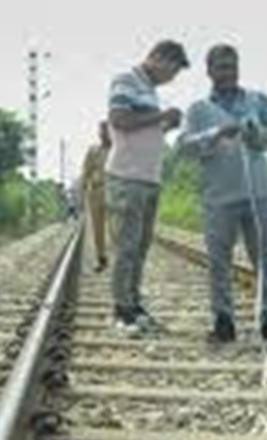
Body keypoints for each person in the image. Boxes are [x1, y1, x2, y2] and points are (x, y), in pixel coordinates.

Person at [178, 44, 267, 345]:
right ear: (210, 71)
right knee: (219, 261)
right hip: (218, 197)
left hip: (259, 193)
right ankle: (223, 321)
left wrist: (259, 136)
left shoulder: (258, 99)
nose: (228, 72)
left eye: (232, 66)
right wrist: (214, 135)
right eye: (222, 67)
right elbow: (184, 148)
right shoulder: (198, 110)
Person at [105, 40, 189, 334]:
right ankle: (120, 311)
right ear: (158, 58)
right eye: (172, 71)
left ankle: (133, 303)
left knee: (140, 248)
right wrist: (162, 116)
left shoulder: (150, 91)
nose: (171, 78)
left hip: (149, 178)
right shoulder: (126, 80)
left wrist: (167, 126)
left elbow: (142, 128)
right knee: (126, 248)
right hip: (127, 177)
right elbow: (119, 119)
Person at [81, 121, 112, 273]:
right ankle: (101, 258)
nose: (104, 133)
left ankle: (118, 259)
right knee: (97, 228)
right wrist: (83, 191)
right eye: (102, 130)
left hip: (115, 191)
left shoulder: (119, 150)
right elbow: (86, 172)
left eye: (107, 130)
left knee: (117, 228)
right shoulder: (93, 151)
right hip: (97, 191)